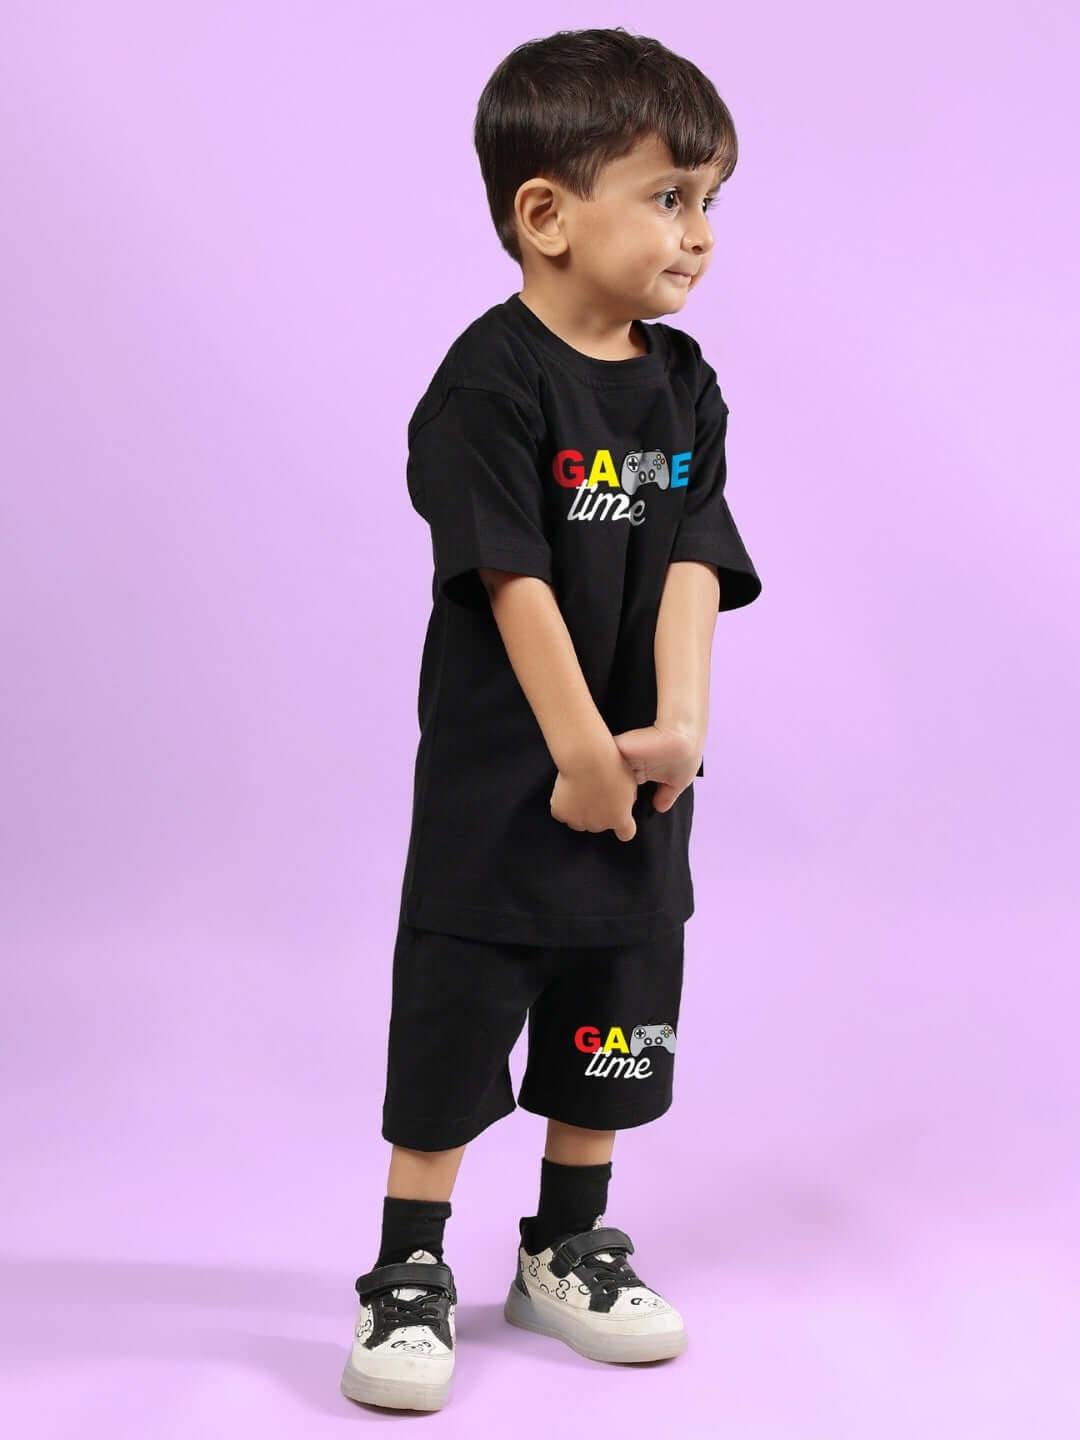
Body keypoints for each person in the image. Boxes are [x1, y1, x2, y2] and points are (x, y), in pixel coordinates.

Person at [341, 26, 762, 1412]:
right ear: (546, 215)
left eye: (711, 203)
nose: (698, 236)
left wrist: (677, 728)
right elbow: (508, 574)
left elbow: (695, 555)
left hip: (641, 792)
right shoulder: (490, 385)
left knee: (614, 1019)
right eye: (669, 197)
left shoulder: (683, 383)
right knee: (458, 1024)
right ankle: (410, 1269)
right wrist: (578, 751)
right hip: (505, 796)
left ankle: (566, 1246)